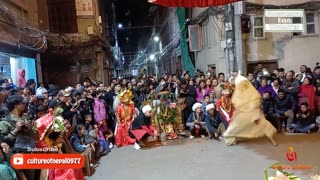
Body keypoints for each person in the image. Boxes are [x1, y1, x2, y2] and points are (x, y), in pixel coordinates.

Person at [223, 74, 277, 146]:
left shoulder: (252, 92)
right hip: (242, 113)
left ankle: (271, 137)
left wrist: (254, 111)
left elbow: (256, 101)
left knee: (262, 124)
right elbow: (236, 102)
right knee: (235, 126)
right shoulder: (238, 92)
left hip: (253, 112)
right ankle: (231, 138)